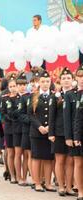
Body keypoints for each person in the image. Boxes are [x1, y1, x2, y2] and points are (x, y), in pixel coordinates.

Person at [48, 67, 76, 196]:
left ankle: (69, 186)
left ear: (72, 80)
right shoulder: (56, 96)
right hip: (59, 132)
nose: (66, 80)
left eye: (68, 78)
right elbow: (51, 116)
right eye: (63, 78)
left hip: (73, 133)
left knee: (70, 161)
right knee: (59, 160)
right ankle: (61, 186)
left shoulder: (76, 95)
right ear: (60, 80)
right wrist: (51, 133)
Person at [28, 70, 55, 192]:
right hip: (36, 132)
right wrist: (39, 127)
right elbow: (30, 114)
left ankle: (48, 183)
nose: (45, 84)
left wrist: (50, 126)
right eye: (43, 81)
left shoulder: (54, 96)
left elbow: (56, 114)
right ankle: (37, 182)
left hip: (50, 132)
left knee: (48, 158)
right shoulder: (33, 96)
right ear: (39, 82)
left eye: (47, 81)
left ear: (50, 82)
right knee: (36, 157)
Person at [0, 73, 19, 184]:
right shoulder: (4, 99)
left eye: (14, 86)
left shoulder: (21, 98)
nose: (13, 88)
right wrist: (10, 119)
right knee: (11, 153)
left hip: (19, 128)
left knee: (18, 153)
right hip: (9, 128)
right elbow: (2, 114)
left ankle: (19, 174)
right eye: (11, 86)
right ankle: (12, 175)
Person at [69, 64, 83, 200]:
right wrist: (74, 136)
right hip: (79, 134)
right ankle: (80, 191)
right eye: (80, 76)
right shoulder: (73, 94)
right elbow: (76, 118)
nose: (82, 79)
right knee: (78, 163)